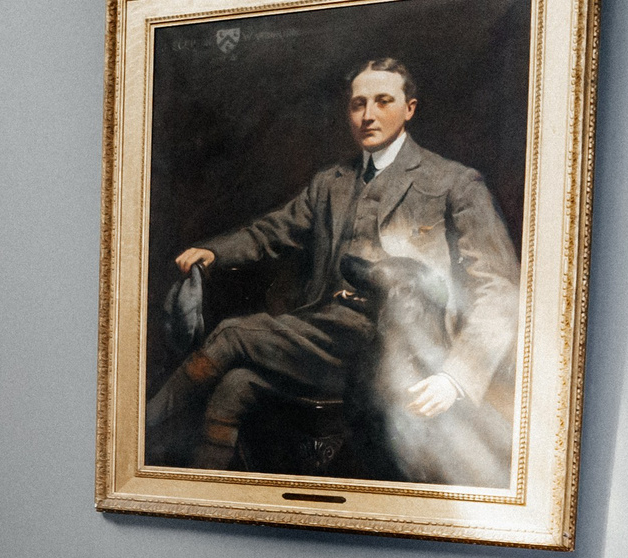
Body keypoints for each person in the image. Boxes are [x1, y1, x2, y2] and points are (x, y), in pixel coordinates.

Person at [146, 58, 519, 480]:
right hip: (326, 341)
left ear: (409, 108)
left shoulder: (455, 183)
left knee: (234, 335)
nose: (369, 115)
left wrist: (455, 376)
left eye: (383, 101)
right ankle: (199, 495)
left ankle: (143, 426)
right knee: (235, 387)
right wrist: (215, 254)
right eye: (358, 104)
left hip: (402, 353)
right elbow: (274, 231)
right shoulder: (332, 182)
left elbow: (499, 289)